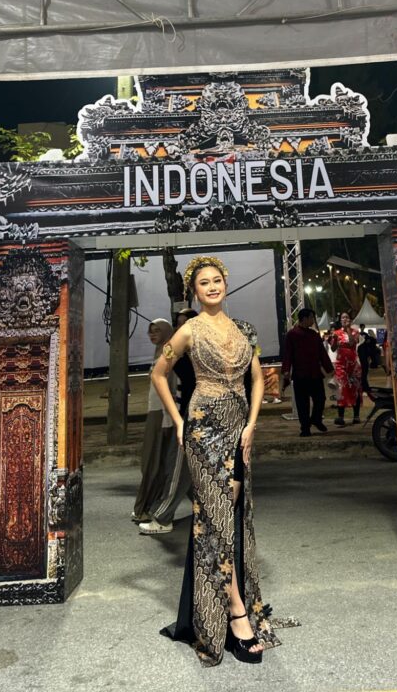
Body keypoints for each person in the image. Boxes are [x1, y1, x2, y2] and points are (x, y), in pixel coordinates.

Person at [152, 254, 286, 666]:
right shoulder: (189, 331)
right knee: (215, 520)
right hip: (203, 430)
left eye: (216, 281)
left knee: (233, 519)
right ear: (194, 291)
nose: (212, 287)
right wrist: (179, 422)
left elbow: (258, 379)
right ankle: (236, 613)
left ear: (225, 284)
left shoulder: (245, 330)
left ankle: (232, 604)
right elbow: (158, 374)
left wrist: (252, 424)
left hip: (238, 430)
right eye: (203, 283)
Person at [139, 309, 198, 536]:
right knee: (185, 468)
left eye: (184, 323)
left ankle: (163, 517)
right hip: (184, 414)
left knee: (177, 467)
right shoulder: (183, 351)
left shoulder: (187, 352)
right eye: (178, 324)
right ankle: (206, 506)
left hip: (193, 416)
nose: (180, 328)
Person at [132, 319, 177, 524]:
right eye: (150, 332)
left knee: (154, 462)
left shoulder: (169, 353)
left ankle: (144, 508)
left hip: (161, 413)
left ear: (166, 332)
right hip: (155, 412)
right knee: (151, 462)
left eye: (157, 331)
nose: (152, 335)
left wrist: (167, 418)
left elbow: (169, 388)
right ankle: (144, 507)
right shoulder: (159, 352)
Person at [281, 307, 334, 437]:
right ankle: (305, 428)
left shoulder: (314, 335)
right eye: (311, 318)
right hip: (300, 375)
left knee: (320, 399)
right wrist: (286, 370)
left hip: (315, 373)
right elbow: (287, 354)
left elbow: (322, 353)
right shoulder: (292, 335)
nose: (313, 321)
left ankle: (316, 419)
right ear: (304, 318)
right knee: (302, 403)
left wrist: (329, 368)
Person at [329, 314, 362, 425]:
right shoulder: (336, 333)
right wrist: (334, 339)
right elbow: (333, 349)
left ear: (350, 320)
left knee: (355, 388)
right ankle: (340, 417)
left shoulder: (355, 332)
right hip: (341, 364)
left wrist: (348, 329)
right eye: (343, 318)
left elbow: (352, 343)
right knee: (341, 388)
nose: (345, 319)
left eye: (347, 317)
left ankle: (356, 416)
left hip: (353, 365)